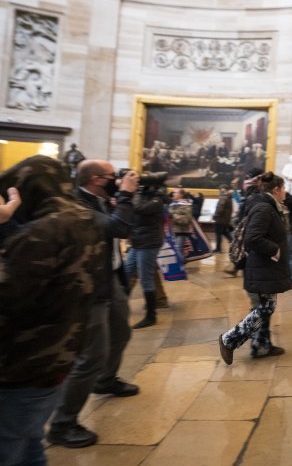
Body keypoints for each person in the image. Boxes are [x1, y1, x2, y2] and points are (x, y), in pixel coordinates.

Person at [0, 157, 104, 466]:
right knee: (30, 444)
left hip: (20, 364)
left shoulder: (40, 233)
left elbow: (6, 297)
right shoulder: (84, 219)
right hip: (58, 357)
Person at [49, 161, 139, 449]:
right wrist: (125, 196)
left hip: (109, 277)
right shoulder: (77, 204)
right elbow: (119, 229)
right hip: (88, 286)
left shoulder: (99, 200)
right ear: (97, 179)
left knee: (122, 332)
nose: (118, 180)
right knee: (91, 356)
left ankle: (106, 380)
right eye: (114, 177)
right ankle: (62, 424)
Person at [218, 172, 291, 363]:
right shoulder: (264, 208)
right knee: (266, 308)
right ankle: (229, 339)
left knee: (266, 306)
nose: (285, 192)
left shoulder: (269, 206)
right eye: (283, 188)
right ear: (276, 190)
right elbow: (252, 238)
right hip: (262, 267)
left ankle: (261, 345)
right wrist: (274, 249)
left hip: (266, 268)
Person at [124, 182, 168, 329]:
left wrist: (129, 193)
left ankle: (151, 316)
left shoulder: (156, 200)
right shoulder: (141, 196)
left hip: (149, 243)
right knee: (126, 272)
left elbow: (138, 209)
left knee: (146, 279)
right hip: (137, 242)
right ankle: (120, 308)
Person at [168, 189, 193, 270]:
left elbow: (186, 219)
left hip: (182, 230)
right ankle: (181, 264)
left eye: (176, 193)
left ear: (181, 195)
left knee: (177, 248)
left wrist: (174, 215)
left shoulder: (186, 205)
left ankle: (182, 264)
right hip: (175, 230)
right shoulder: (173, 204)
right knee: (178, 249)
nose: (173, 194)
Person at [213, 185, 233, 253]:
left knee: (218, 233)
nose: (219, 191)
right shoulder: (229, 197)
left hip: (220, 219)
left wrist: (215, 216)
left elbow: (220, 208)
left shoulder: (224, 197)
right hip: (225, 219)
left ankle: (218, 249)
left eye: (220, 189)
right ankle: (234, 244)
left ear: (224, 189)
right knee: (225, 232)